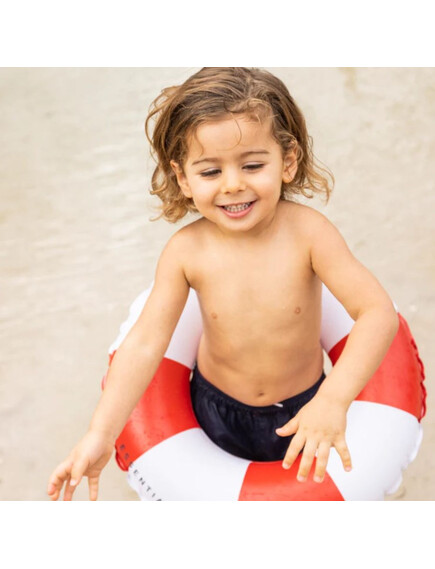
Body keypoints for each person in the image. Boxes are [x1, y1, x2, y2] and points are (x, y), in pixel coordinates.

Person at [47, 67, 399, 501]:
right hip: (214, 409)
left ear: (287, 161)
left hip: (306, 403)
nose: (233, 185)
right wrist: (100, 433)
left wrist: (334, 399)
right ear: (183, 178)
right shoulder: (186, 251)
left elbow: (377, 313)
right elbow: (145, 343)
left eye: (252, 165)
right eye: (211, 171)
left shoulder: (310, 235)